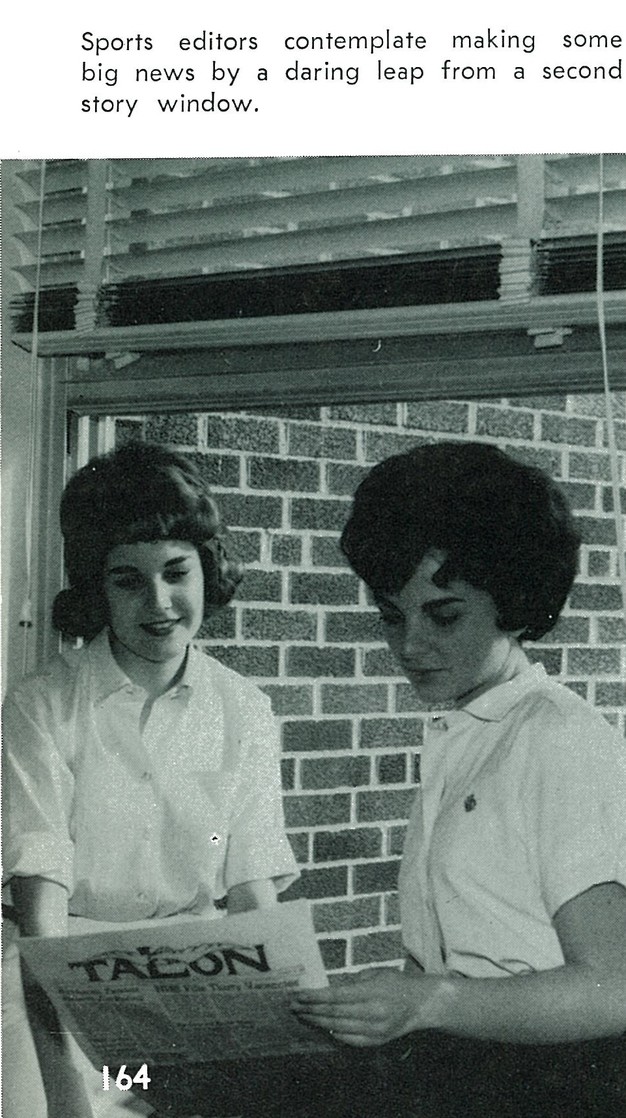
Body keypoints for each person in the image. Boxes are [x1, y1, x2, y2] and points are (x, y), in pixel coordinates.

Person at [292, 440, 626, 1117]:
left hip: (560, 1087)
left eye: (444, 615)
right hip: (466, 1078)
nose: (410, 646)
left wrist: (430, 1001)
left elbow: (614, 987)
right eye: (393, 616)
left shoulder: (557, 736)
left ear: (515, 602)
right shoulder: (464, 732)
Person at [2, 441, 298, 1118]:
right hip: (55, 982)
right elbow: (41, 916)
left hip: (193, 978)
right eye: (128, 580)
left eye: (175, 572)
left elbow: (253, 896)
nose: (159, 602)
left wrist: (278, 1054)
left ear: (207, 571)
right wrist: (68, 1096)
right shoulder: (40, 706)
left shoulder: (245, 710)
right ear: (97, 588)